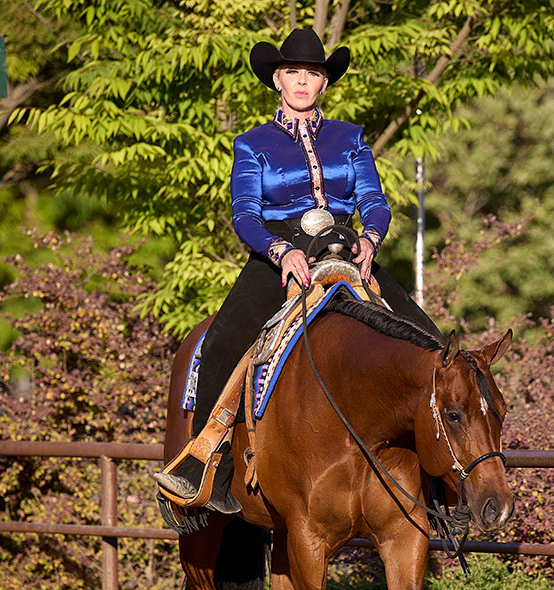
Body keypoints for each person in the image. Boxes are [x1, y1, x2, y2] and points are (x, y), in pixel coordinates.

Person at [159, 28, 439, 506]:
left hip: (346, 245)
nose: (303, 81)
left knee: (428, 342)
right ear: (277, 80)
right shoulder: (251, 144)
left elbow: (374, 200)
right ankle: (210, 467)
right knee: (225, 337)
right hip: (278, 252)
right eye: (294, 73)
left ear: (325, 83)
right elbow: (245, 213)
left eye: (313, 73)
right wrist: (279, 250)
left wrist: (371, 238)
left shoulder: (350, 136)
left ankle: (436, 489)